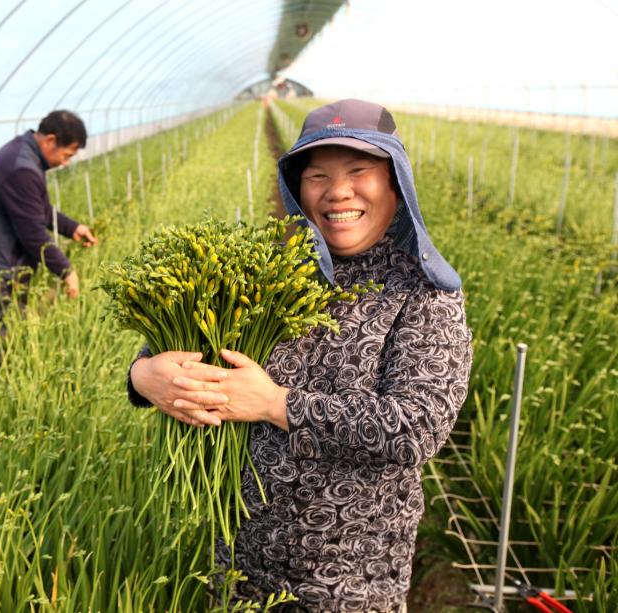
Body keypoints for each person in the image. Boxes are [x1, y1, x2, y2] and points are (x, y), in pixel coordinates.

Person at [127, 99, 473, 612]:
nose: (338, 192)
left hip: (350, 583)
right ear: (297, 188)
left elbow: (416, 427)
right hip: (241, 560)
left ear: (395, 182)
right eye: (317, 176)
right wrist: (143, 375)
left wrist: (275, 404)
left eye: (359, 172)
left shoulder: (423, 294)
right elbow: (174, 339)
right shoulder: (273, 272)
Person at [0, 110, 98, 329]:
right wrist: (66, 271)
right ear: (51, 140)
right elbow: (32, 233)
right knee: (7, 331)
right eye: (67, 155)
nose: (66, 163)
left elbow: (38, 209)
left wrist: (72, 228)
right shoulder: (22, 168)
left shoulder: (26, 154)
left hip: (3, 253)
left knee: (13, 319)